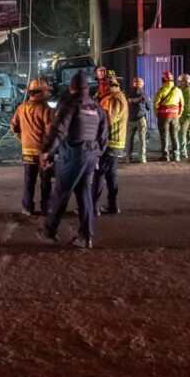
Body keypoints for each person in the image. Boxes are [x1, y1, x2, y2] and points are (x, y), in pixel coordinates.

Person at [38, 73, 108, 249]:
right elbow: (104, 135)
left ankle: (49, 231)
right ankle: (86, 236)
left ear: (72, 88)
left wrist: (46, 151)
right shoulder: (96, 107)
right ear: (87, 88)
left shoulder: (69, 105)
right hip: (91, 156)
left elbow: (58, 131)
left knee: (61, 193)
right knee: (84, 194)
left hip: (73, 155)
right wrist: (96, 152)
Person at [10, 76, 54, 217]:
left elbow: (13, 126)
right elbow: (50, 132)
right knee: (46, 182)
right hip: (43, 152)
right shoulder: (45, 109)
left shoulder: (21, 108)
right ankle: (46, 208)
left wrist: (22, 138)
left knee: (29, 181)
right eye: (46, 91)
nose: (48, 93)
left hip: (27, 151)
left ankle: (27, 207)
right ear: (40, 92)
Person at [94, 71, 127, 215]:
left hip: (108, 143)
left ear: (108, 84)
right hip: (114, 143)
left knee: (98, 174)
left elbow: (106, 120)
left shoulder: (112, 99)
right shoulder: (113, 97)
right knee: (110, 175)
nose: (99, 87)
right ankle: (113, 205)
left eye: (101, 84)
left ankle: (94, 207)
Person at [154, 71, 184, 162]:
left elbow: (155, 104)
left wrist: (158, 115)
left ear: (163, 79)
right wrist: (178, 115)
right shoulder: (178, 90)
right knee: (174, 136)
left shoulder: (161, 90)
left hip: (163, 117)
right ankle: (176, 156)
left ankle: (165, 156)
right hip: (175, 117)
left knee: (164, 136)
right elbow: (182, 104)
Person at [125, 76, 149, 163]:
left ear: (133, 84)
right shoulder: (143, 94)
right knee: (142, 138)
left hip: (130, 119)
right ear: (142, 85)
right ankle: (142, 158)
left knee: (129, 138)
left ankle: (128, 158)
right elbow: (148, 106)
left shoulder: (127, 94)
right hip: (140, 119)